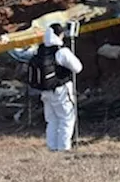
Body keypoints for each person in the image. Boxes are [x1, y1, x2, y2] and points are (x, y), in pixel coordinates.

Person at [28, 23, 83, 152]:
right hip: (61, 89)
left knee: (52, 120)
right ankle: (64, 148)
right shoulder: (61, 51)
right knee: (66, 118)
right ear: (60, 35)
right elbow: (78, 68)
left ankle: (52, 147)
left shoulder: (40, 50)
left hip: (45, 91)